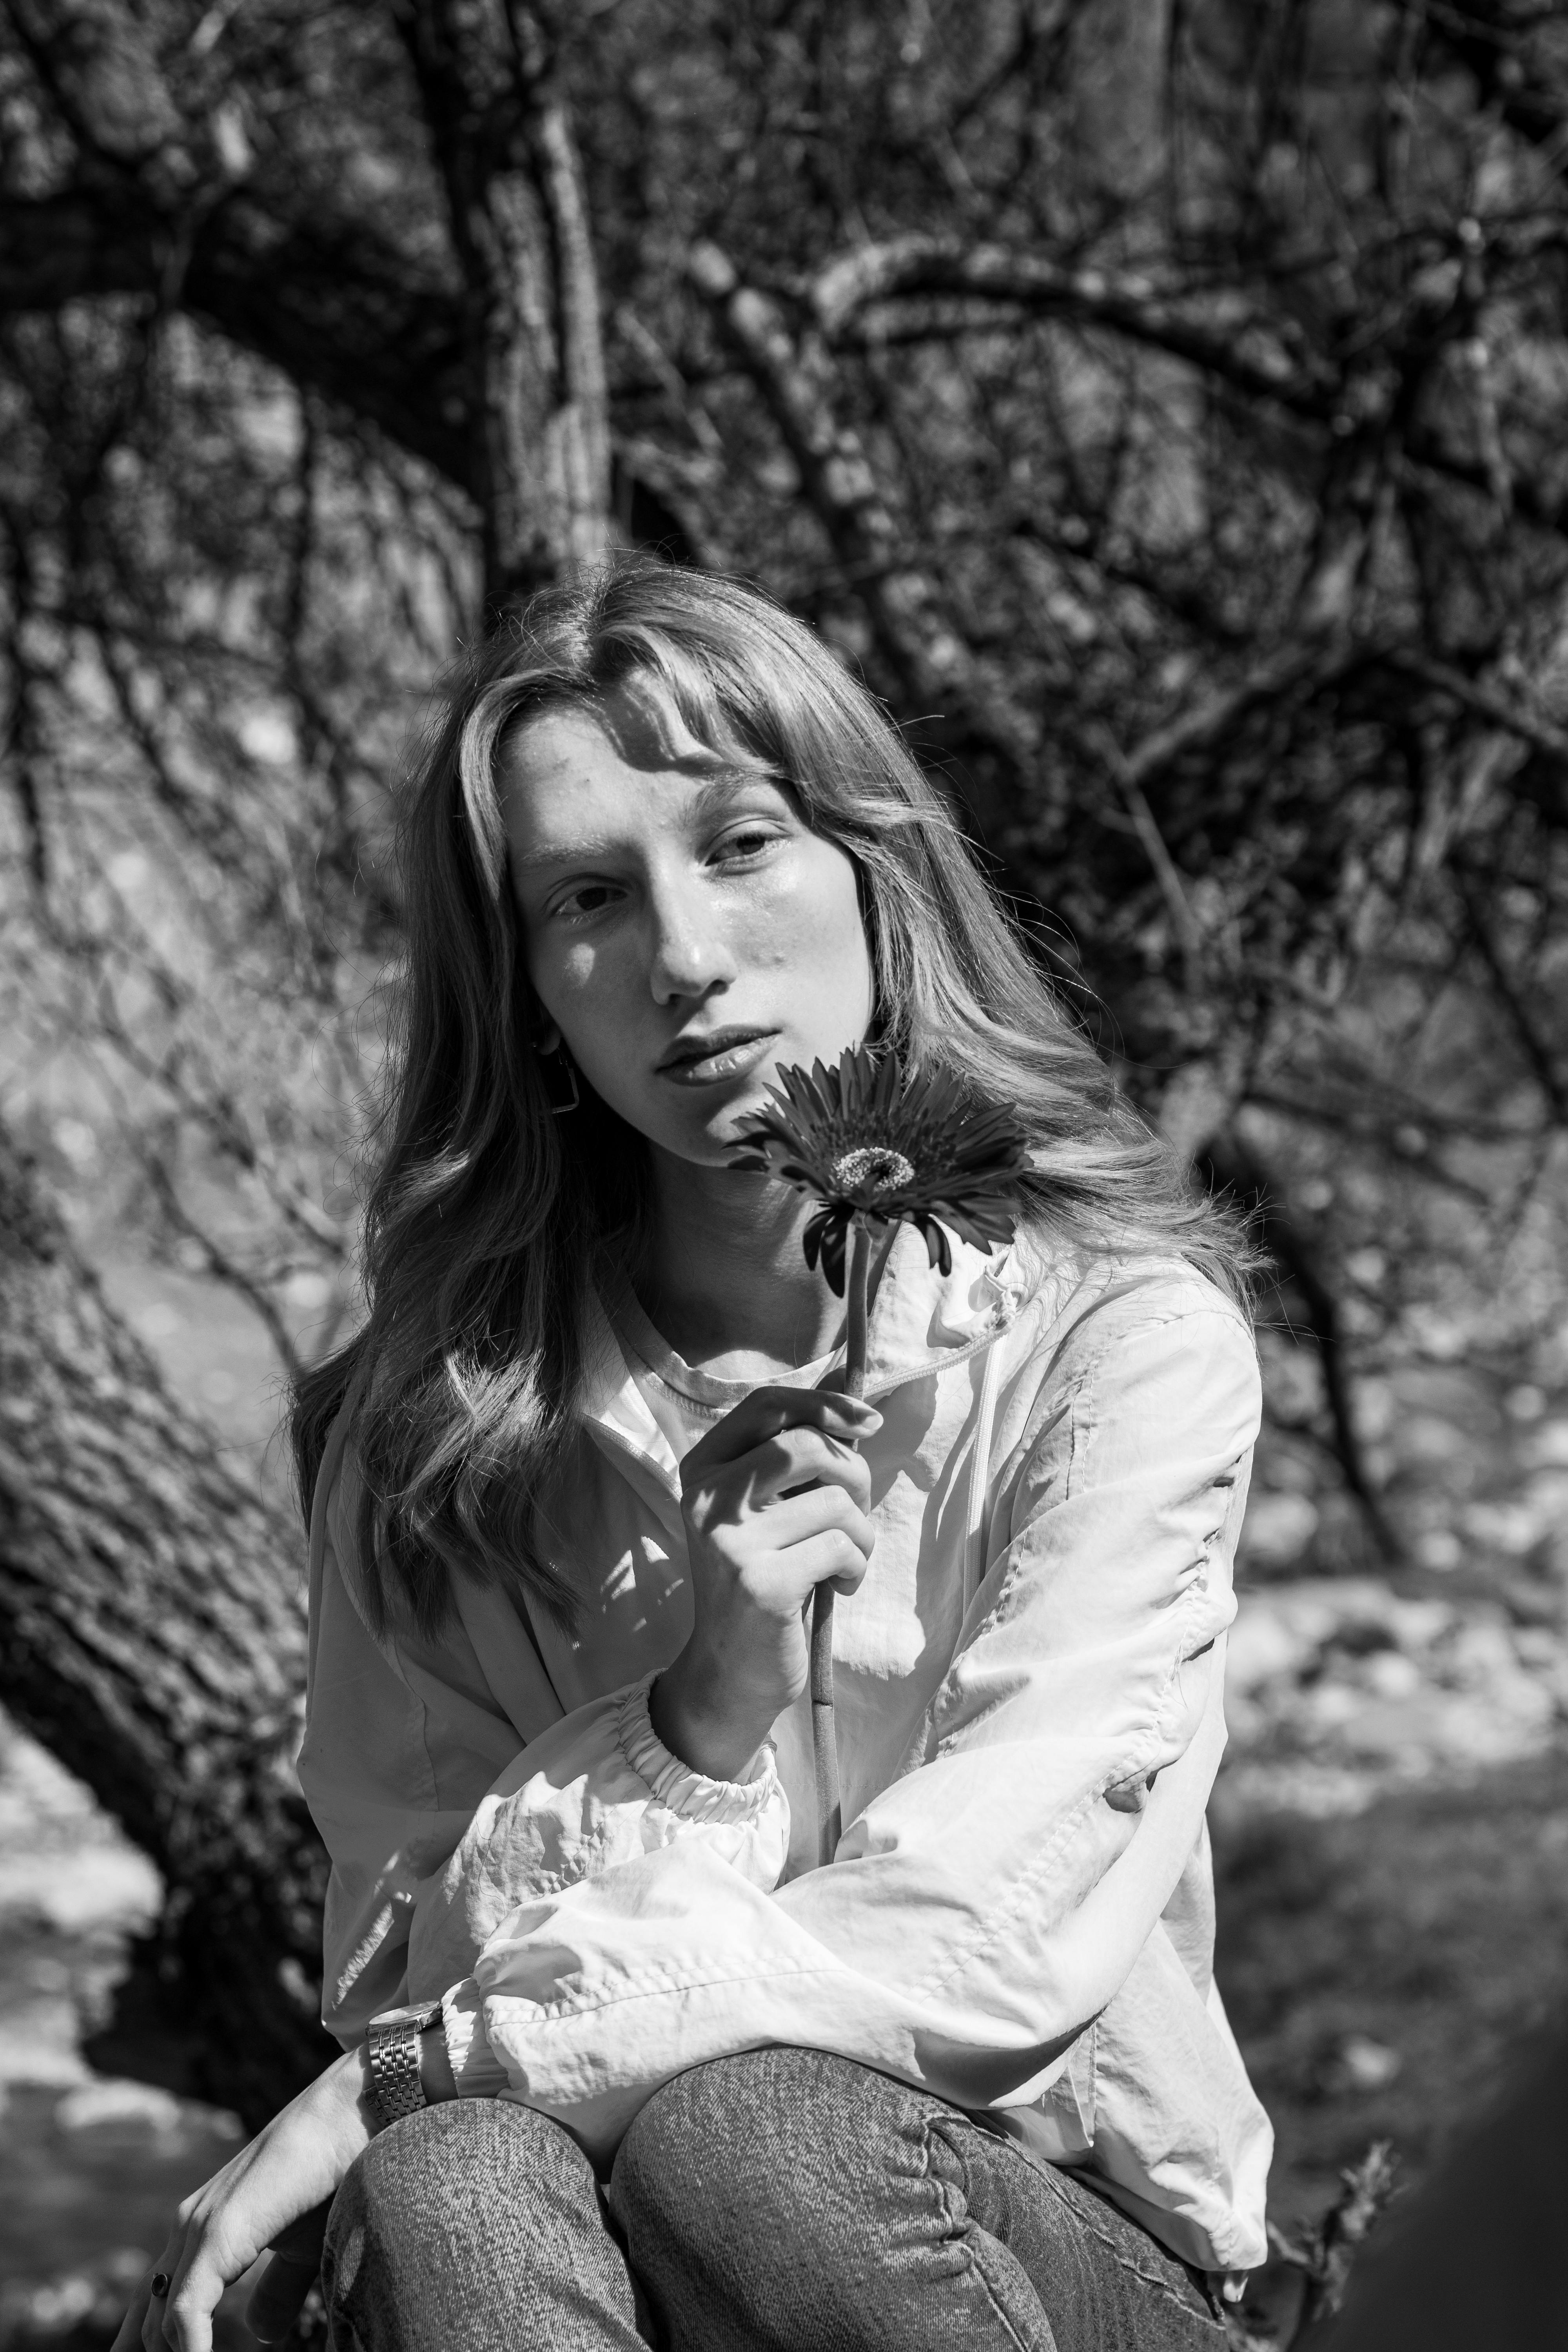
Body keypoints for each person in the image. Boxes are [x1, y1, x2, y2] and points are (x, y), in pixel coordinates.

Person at [116, 561, 1272, 2352]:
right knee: (453, 2185)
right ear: (529, 994)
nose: (685, 959)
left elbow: (987, 1931)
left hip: (1054, 2261)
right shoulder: (429, 1439)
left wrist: (426, 2070)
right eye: (589, 895)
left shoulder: (1115, 1344)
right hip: (590, 2282)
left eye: (739, 844)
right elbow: (402, 1969)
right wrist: (692, 1721)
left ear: (874, 876)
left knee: (754, 2139)